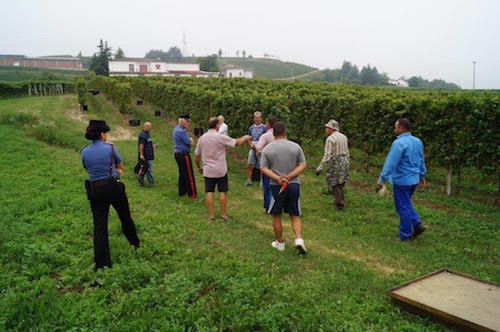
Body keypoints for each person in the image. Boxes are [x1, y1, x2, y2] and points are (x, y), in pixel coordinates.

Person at [81, 120, 140, 270]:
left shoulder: (84, 152)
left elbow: (88, 171)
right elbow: (120, 167)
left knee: (99, 227)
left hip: (95, 189)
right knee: (125, 216)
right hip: (112, 187)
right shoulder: (111, 148)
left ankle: (101, 264)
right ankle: (135, 243)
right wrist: (115, 171)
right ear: (102, 134)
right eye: (105, 133)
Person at [261, 122, 307, 254]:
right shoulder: (295, 147)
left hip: (277, 186)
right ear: (285, 133)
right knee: (294, 213)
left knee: (276, 214)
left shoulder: (268, 149)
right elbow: (303, 164)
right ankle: (298, 239)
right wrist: (290, 175)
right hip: (293, 184)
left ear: (273, 133)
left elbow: (264, 168)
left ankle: (280, 243)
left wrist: (277, 178)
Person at [377, 118, 427, 241]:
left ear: (401, 128)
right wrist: (422, 175)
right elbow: (421, 160)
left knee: (402, 207)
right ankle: (417, 224)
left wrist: (381, 179)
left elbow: (391, 163)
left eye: (396, 127)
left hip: (402, 180)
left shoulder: (398, 144)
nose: (395, 130)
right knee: (406, 203)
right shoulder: (417, 142)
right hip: (414, 180)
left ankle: (405, 235)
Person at [195, 117, 251, 221]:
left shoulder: (202, 138)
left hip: (208, 170)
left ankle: (211, 215)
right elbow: (237, 143)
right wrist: (245, 137)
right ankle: (223, 214)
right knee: (222, 191)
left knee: (209, 191)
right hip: (220, 170)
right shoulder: (220, 137)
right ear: (217, 125)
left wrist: (199, 167)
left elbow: (196, 156)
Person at [315, 119, 350, 211]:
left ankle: (340, 204)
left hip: (336, 162)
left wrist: (320, 167)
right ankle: (337, 199)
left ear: (331, 129)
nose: (326, 129)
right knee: (341, 181)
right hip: (345, 160)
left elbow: (327, 154)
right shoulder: (344, 137)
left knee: (335, 183)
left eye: (327, 128)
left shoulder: (330, 139)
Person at [256, 115, 278, 212]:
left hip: (267, 164)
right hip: (279, 163)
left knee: (267, 186)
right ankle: (277, 205)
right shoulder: (279, 135)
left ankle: (268, 206)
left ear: (268, 124)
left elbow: (259, 148)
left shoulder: (265, 136)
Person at [173, 114, 197, 199]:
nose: (188, 123)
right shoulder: (181, 131)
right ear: (182, 121)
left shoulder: (176, 129)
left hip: (178, 154)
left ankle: (182, 191)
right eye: (187, 121)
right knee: (189, 173)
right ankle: (192, 193)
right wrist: (191, 140)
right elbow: (190, 142)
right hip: (183, 154)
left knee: (182, 173)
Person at [245, 111, 267, 186]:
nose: (257, 119)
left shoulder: (264, 127)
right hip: (253, 148)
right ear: (254, 119)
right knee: (250, 164)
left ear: (261, 118)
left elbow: (266, 138)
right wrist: (250, 144)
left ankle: (262, 181)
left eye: (259, 117)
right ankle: (249, 180)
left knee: (262, 165)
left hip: (261, 149)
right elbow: (248, 138)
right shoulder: (251, 128)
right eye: (256, 118)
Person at [137, 121, 154, 186]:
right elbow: (141, 145)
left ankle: (141, 181)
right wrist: (141, 155)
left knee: (145, 169)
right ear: (145, 126)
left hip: (149, 155)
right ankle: (151, 182)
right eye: (149, 126)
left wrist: (153, 147)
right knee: (148, 169)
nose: (150, 128)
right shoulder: (142, 135)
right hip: (145, 156)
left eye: (150, 126)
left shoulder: (147, 134)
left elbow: (147, 145)